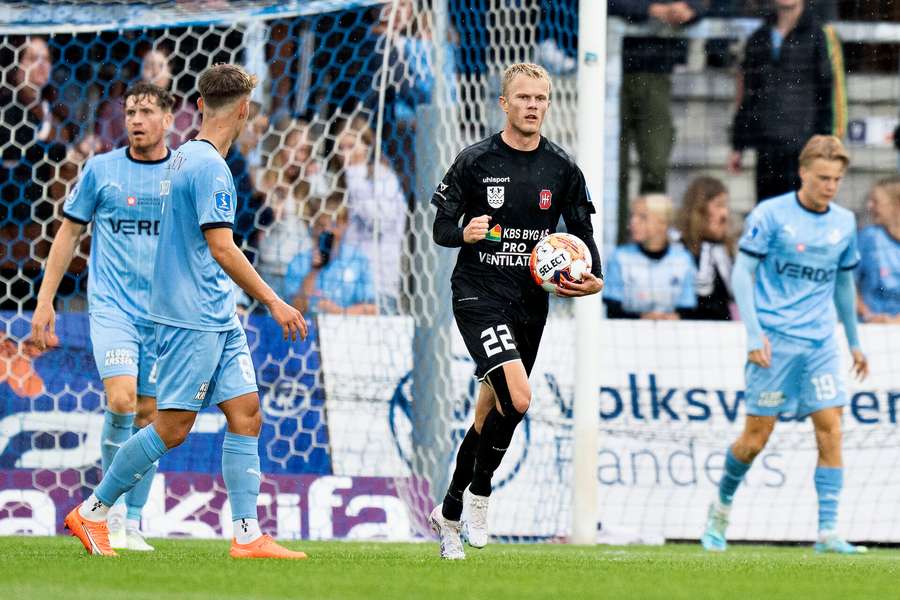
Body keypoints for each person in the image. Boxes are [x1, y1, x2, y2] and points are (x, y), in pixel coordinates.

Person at [61, 64, 309, 559]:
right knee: (171, 427)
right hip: (192, 317)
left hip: (217, 314)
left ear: (197, 106)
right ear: (243, 110)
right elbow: (222, 248)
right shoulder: (210, 167)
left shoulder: (181, 158)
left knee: (246, 413)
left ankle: (246, 534)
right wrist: (275, 301)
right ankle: (91, 513)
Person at [428, 63, 603, 560]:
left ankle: (449, 512)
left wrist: (594, 278)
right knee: (520, 398)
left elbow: (582, 234)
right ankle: (481, 495)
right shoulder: (475, 161)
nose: (532, 105)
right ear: (504, 103)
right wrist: (464, 232)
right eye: (523, 97)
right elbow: (441, 227)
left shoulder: (563, 169)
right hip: (478, 294)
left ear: (549, 104)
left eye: (541, 98)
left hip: (530, 302)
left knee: (493, 413)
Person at [701, 135, 868, 554]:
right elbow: (742, 275)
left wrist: (854, 342)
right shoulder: (771, 215)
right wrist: (755, 335)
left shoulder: (844, 222)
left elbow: (844, 284)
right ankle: (719, 512)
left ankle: (828, 532)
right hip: (774, 343)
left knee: (831, 431)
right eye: (823, 178)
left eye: (837, 179)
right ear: (803, 173)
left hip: (820, 344)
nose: (830, 186)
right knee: (755, 439)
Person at [31, 81, 175, 551]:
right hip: (113, 309)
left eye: (146, 111)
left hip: (166, 315)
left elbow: (207, 244)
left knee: (151, 416)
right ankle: (106, 513)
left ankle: (131, 521)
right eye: (131, 111)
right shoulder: (100, 170)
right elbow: (68, 235)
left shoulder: (184, 173)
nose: (135, 119)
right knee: (122, 399)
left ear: (167, 119)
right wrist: (45, 300)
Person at [608, 0, 706, 244]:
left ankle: (649, 243)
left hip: (656, 72)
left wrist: (687, 10)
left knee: (655, 165)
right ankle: (612, 243)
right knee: (611, 170)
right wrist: (651, 10)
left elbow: (708, 6)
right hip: (610, 71)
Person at [730, 0, 843, 203]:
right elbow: (748, 94)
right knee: (768, 216)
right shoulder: (759, 37)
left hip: (804, 146)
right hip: (767, 145)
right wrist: (738, 144)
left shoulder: (820, 35)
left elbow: (831, 93)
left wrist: (829, 142)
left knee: (801, 216)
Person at [334, 116, 407, 314]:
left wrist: (355, 173)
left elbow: (379, 222)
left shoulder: (384, 178)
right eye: (340, 147)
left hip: (378, 284)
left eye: (350, 146)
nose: (344, 154)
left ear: (367, 146)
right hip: (345, 285)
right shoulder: (341, 182)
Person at [603, 194, 697, 320]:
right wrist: (643, 318)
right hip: (627, 334)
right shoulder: (620, 257)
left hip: (672, 335)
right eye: (632, 216)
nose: (633, 222)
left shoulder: (683, 260)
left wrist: (673, 318)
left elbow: (688, 309)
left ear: (663, 224)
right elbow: (612, 309)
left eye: (642, 217)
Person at [285, 197, 376, 316]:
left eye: (334, 225)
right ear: (313, 226)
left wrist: (338, 312)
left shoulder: (357, 260)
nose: (328, 230)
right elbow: (294, 310)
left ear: (345, 225)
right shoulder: (299, 262)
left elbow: (372, 309)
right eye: (321, 225)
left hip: (348, 329)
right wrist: (314, 271)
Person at [676, 176, 735, 320]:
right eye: (719, 205)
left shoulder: (726, 249)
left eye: (726, 206)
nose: (725, 214)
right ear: (700, 210)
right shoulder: (678, 250)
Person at [856, 176, 900, 323]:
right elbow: (846, 285)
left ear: (897, 205)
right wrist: (869, 315)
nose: (869, 206)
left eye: (876, 201)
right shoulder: (867, 237)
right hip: (871, 327)